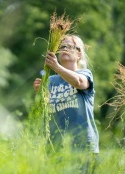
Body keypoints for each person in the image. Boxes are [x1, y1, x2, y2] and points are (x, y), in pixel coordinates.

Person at [33, 35, 99, 171]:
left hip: (83, 148)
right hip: (56, 148)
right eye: (62, 46)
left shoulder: (85, 74)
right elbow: (46, 112)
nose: (64, 49)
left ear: (79, 53)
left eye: (69, 46)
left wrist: (56, 67)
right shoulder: (51, 81)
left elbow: (78, 82)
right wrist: (40, 94)